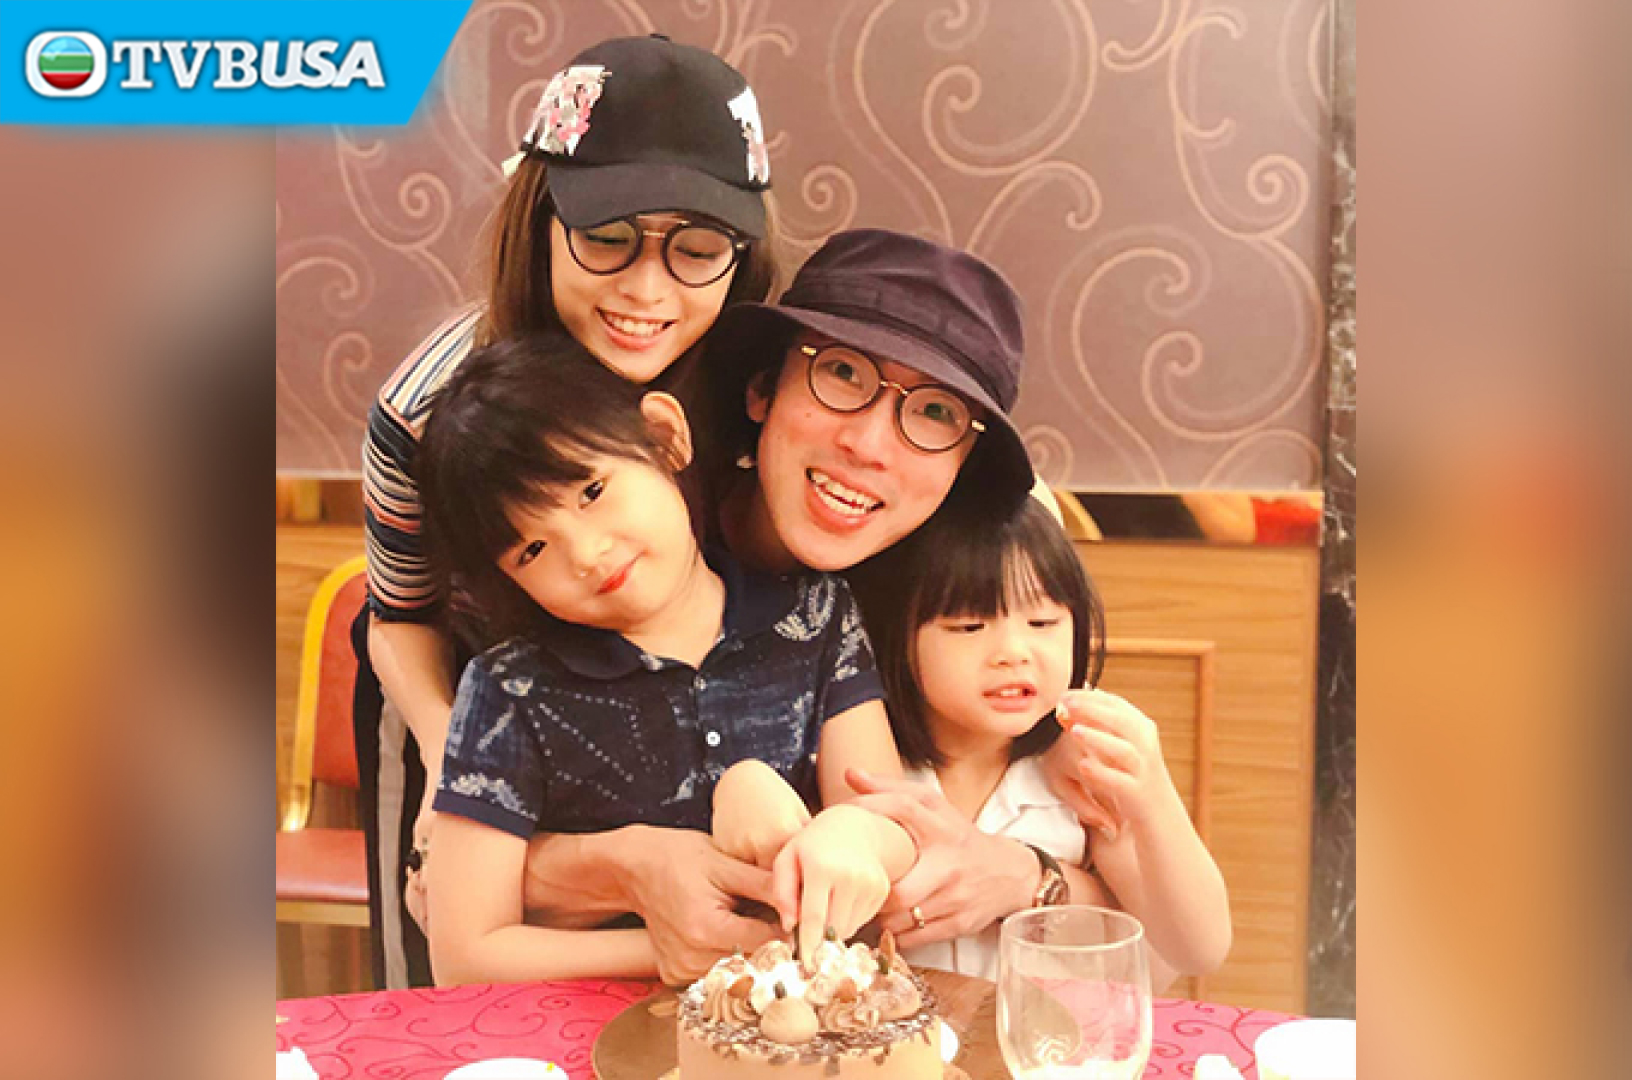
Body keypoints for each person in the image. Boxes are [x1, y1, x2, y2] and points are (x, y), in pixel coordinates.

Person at [513, 229, 1093, 983]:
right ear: (763, 389)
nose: (870, 444)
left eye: (936, 414)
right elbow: (449, 882)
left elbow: (1147, 921)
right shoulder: (619, 540)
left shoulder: (969, 592)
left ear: (963, 466)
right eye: (841, 373)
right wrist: (629, 862)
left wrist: (1023, 874)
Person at [354, 34, 780, 987]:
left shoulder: (760, 380)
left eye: (697, 249)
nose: (646, 290)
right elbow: (401, 616)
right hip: (478, 702)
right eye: (607, 236)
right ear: (541, 218)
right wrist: (450, 766)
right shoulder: (425, 409)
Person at [414, 333, 916, 984]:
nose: (587, 554)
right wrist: (667, 949)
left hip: (793, 1017)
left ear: (663, 437)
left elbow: (891, 820)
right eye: (532, 551)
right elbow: (463, 956)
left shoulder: (815, 617)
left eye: (592, 492)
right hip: (592, 1023)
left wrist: (852, 832)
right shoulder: (508, 689)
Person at [849, 497, 1233, 984]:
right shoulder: (863, 754)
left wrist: (1152, 798)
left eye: (1043, 623)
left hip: (1051, 1031)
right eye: (969, 626)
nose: (1014, 652)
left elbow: (1201, 949)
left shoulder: (1084, 770)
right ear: (896, 636)